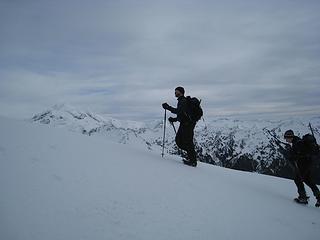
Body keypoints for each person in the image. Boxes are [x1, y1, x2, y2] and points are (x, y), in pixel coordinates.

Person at [162, 87, 197, 167]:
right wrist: (174, 119)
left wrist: (168, 107)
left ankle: (193, 160)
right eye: (175, 92)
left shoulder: (183, 101)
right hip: (185, 124)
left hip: (188, 125)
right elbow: (182, 114)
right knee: (179, 141)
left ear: (181, 92)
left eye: (176, 92)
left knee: (187, 142)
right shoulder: (182, 101)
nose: (175, 93)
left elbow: (179, 111)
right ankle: (191, 155)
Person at [284, 129, 320, 207]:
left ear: (290, 137)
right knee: (307, 180)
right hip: (308, 163)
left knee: (298, 180)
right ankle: (318, 196)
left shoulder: (297, 143)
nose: (286, 140)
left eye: (286, 138)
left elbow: (296, 156)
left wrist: (289, 152)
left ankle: (303, 198)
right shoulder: (298, 141)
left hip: (304, 164)